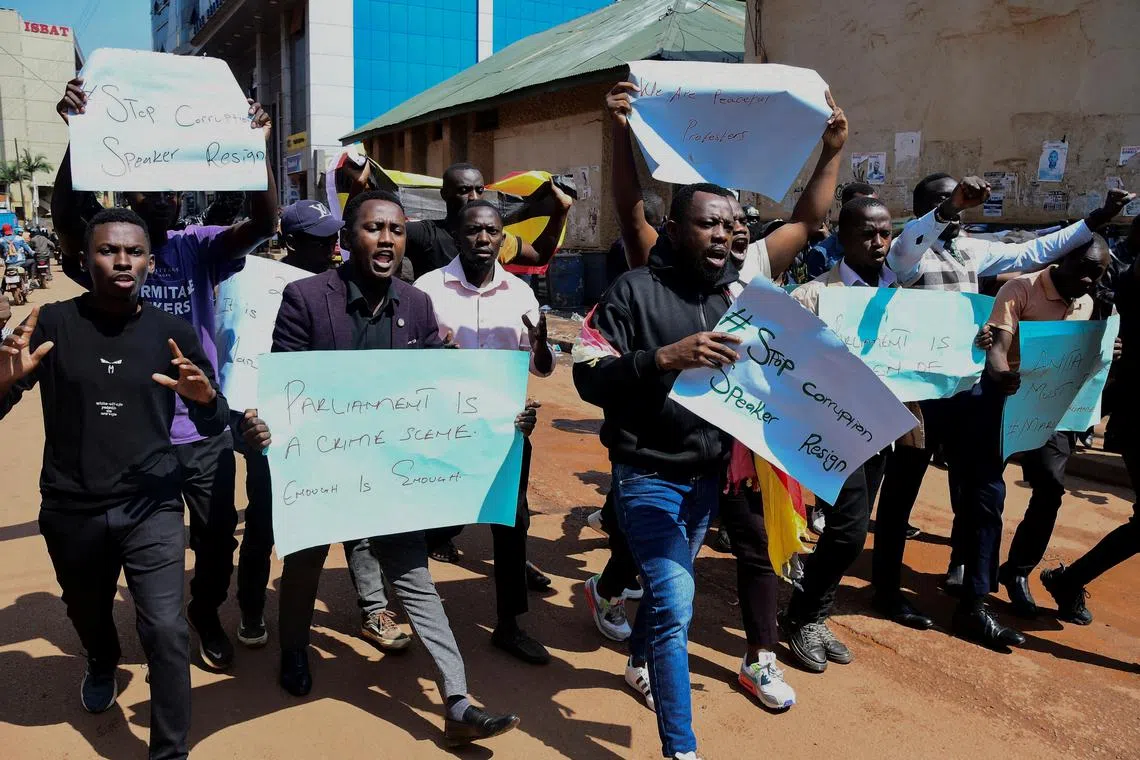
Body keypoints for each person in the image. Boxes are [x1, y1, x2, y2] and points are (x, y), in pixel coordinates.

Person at [241, 190, 522, 746]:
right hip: (321, 473)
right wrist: (267, 424)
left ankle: (458, 699)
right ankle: (295, 650)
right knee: (303, 569)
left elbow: (437, 390)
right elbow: (286, 388)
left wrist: (501, 413)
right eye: (374, 228)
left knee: (415, 579)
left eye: (396, 230)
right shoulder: (304, 297)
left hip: (390, 477)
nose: (387, 239)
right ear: (348, 237)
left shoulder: (416, 305)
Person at [52, 76, 279, 671]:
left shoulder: (198, 246)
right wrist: (80, 135)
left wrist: (254, 147)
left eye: (178, 180)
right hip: (136, 429)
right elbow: (65, 217)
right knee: (129, 543)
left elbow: (263, 222)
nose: (171, 191)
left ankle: (204, 613)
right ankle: (120, 640)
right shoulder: (112, 253)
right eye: (155, 179)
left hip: (202, 427)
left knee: (214, 535)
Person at [0, 208, 230, 759]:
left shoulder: (172, 334)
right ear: (84, 258)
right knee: (87, 610)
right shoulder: (51, 322)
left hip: (151, 503)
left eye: (134, 252)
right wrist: (3, 385)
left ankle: (170, 750)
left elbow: (213, 419)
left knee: (167, 630)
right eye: (109, 250)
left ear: (150, 261)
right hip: (70, 506)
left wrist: (205, 401)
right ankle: (100, 658)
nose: (122, 260)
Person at [869, 177, 1133, 630]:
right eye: (945, 202)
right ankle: (887, 591)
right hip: (917, 395)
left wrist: (1097, 219)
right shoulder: (904, 254)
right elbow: (913, 243)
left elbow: (1035, 251)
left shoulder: (972, 250)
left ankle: (974, 600)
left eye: (962, 202)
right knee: (901, 494)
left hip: (966, 392)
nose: (959, 208)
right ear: (924, 209)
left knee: (984, 493)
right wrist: (948, 208)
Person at [574, 182, 743, 760]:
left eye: (729, 224)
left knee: (668, 599)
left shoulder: (740, 300)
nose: (721, 233)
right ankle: (681, 749)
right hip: (645, 475)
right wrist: (664, 357)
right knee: (674, 601)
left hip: (707, 480)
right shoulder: (631, 291)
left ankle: (636, 662)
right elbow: (587, 373)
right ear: (673, 228)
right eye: (707, 224)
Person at [232, 200, 410, 653]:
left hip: (355, 433)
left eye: (335, 235)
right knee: (265, 523)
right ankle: (252, 607)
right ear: (290, 242)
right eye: (319, 240)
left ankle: (373, 608)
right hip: (279, 430)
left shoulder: (370, 287)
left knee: (360, 521)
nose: (332, 245)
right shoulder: (263, 283)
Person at [951, 238, 1113, 648]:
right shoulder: (1020, 289)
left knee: (1051, 488)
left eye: (1096, 274)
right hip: (1004, 399)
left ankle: (1018, 570)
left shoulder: (1087, 302)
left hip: (1051, 408)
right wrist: (1002, 374)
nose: (1087, 279)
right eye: (1082, 268)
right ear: (1063, 258)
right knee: (988, 496)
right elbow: (999, 346)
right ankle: (975, 598)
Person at [414, 200, 554, 665]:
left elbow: (542, 367)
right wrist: (433, 350)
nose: (483, 240)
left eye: (492, 232)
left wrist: (541, 344)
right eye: (474, 231)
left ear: (501, 237)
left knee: (510, 521)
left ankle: (510, 625)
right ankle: (405, 587)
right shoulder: (427, 289)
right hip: (442, 429)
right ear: (457, 234)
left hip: (506, 431)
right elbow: (407, 358)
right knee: (439, 517)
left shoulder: (520, 294)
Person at [769, 197, 895, 673]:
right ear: (842, 238)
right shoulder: (813, 296)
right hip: (831, 431)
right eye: (867, 233)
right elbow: (785, 363)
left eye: (885, 233)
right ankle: (800, 617)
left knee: (850, 533)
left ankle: (815, 614)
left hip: (880, 427)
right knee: (847, 533)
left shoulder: (898, 293)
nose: (879, 243)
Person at [402, 162, 574, 279]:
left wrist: (560, 210)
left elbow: (538, 255)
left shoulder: (494, 238)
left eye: (479, 190)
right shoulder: (425, 234)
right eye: (464, 190)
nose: (473, 197)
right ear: (444, 194)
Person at [802, 181, 877, 279]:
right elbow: (816, 292)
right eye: (866, 207)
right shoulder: (821, 255)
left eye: (876, 206)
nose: (874, 213)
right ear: (847, 210)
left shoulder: (879, 248)